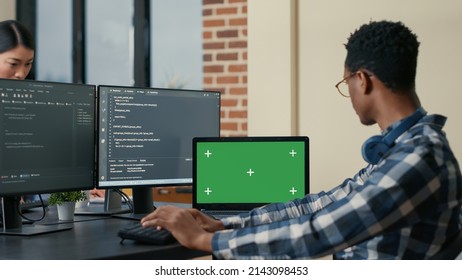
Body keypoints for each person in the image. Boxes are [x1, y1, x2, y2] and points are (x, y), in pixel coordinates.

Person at [150, 20, 462, 259]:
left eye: (346, 83)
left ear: (363, 80)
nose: (349, 95)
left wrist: (206, 241)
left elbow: (322, 231)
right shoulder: (403, 149)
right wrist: (225, 225)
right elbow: (328, 202)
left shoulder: (418, 158)